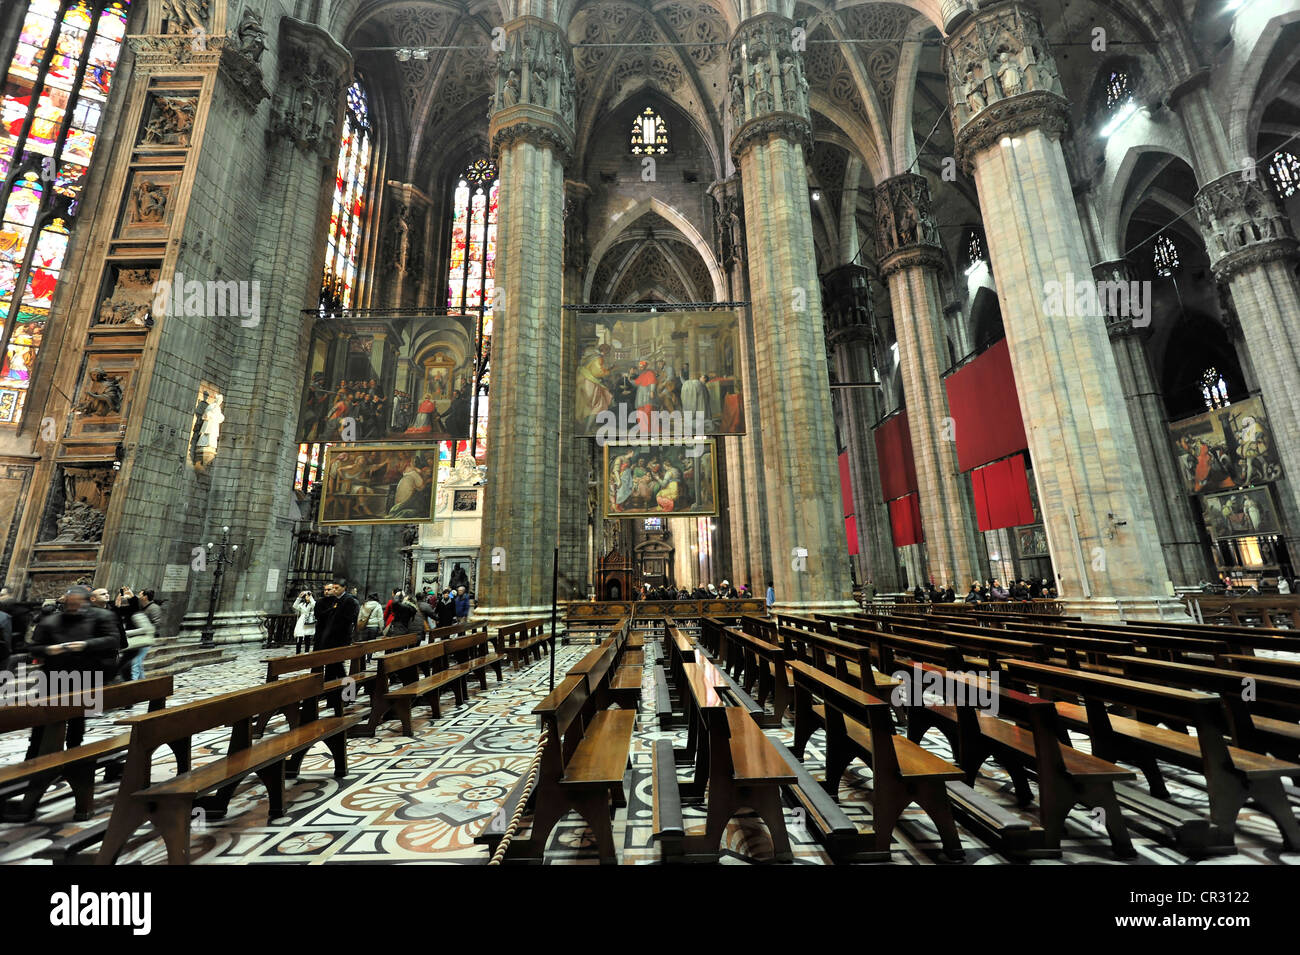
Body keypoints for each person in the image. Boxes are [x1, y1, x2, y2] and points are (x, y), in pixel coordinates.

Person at [27, 586, 121, 753]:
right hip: (52, 677)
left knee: (77, 722)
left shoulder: (102, 617)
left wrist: (85, 645)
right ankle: (34, 756)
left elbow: (113, 641)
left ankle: (73, 757)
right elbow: (34, 647)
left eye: (77, 604)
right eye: (70, 603)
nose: (73, 607)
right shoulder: (51, 620)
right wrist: (49, 650)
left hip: (85, 676)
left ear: (86, 602)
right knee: (42, 721)